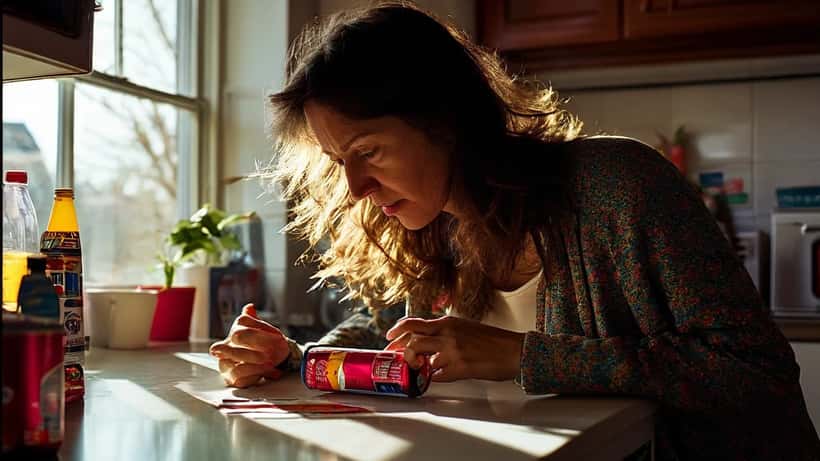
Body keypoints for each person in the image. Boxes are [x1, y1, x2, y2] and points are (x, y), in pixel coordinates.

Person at [208, 2, 820, 459]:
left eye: (368, 151)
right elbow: (387, 338)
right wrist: (290, 358)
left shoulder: (618, 185)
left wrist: (523, 357)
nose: (356, 187)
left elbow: (754, 370)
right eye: (340, 161)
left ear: (446, 118)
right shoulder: (431, 227)